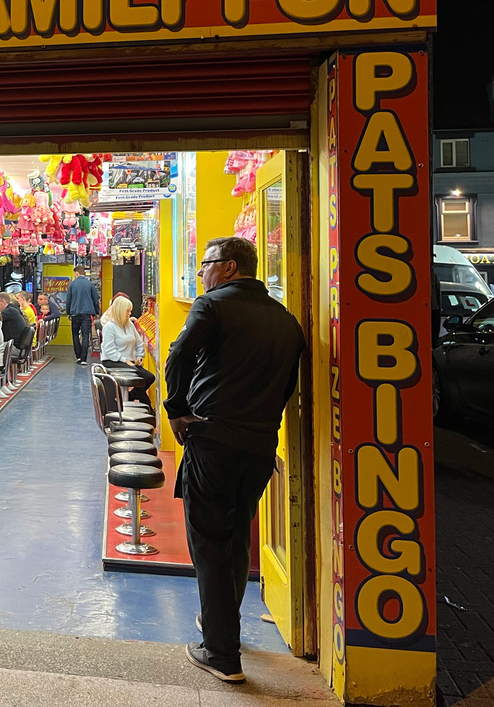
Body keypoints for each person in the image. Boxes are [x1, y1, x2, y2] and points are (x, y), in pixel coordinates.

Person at [163, 236, 305, 685]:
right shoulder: (286, 321)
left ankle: (221, 653)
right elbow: (287, 388)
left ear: (227, 267)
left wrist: (176, 410)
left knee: (209, 543)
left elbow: (178, 356)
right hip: (259, 446)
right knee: (237, 537)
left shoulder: (211, 307)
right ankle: (222, 625)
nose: (200, 273)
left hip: (214, 440)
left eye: (204, 265)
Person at [98, 295, 155, 404]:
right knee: (139, 375)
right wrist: (125, 360)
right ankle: (147, 407)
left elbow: (138, 342)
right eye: (127, 311)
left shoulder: (129, 325)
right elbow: (109, 351)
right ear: (120, 311)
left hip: (129, 361)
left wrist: (139, 356)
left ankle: (131, 396)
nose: (130, 314)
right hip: (112, 361)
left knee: (150, 377)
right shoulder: (109, 327)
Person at [66, 266, 99, 364]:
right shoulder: (90, 284)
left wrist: (68, 312)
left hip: (75, 313)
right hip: (87, 314)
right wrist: (96, 311)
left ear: (76, 273)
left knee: (75, 335)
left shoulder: (72, 285)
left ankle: (78, 356)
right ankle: (84, 358)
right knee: (85, 335)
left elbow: (68, 300)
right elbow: (95, 300)